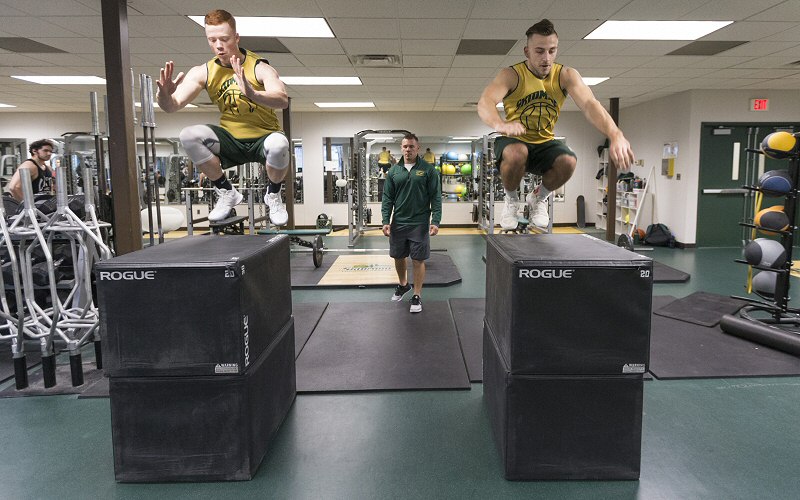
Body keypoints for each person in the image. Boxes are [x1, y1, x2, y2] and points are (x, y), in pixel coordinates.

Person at [478, 19, 634, 230]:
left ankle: (538, 198)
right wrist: (500, 123)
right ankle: (512, 201)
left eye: (552, 51)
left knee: (569, 161)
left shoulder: (565, 76)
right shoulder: (512, 75)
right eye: (540, 51)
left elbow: (590, 104)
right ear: (527, 51)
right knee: (517, 152)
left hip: (545, 143)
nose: (546, 58)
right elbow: (485, 102)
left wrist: (616, 134)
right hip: (513, 138)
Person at [156, 9, 290, 224]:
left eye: (224, 39)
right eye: (212, 39)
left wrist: (253, 93)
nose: (218, 45)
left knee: (279, 144)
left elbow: (282, 99)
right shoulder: (204, 71)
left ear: (236, 38)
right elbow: (172, 106)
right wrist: (163, 95)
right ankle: (227, 192)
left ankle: (273, 194)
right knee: (188, 135)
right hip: (230, 139)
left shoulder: (259, 67)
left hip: (263, 138)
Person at [381, 133, 441, 313]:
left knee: (418, 259)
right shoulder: (394, 171)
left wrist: (436, 220)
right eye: (405, 147)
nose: (408, 150)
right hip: (398, 223)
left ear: (418, 148)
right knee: (398, 257)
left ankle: (417, 295)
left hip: (419, 223)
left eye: (411, 147)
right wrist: (385, 220)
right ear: (401, 148)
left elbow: (435, 197)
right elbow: (387, 198)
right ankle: (403, 284)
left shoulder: (429, 170)